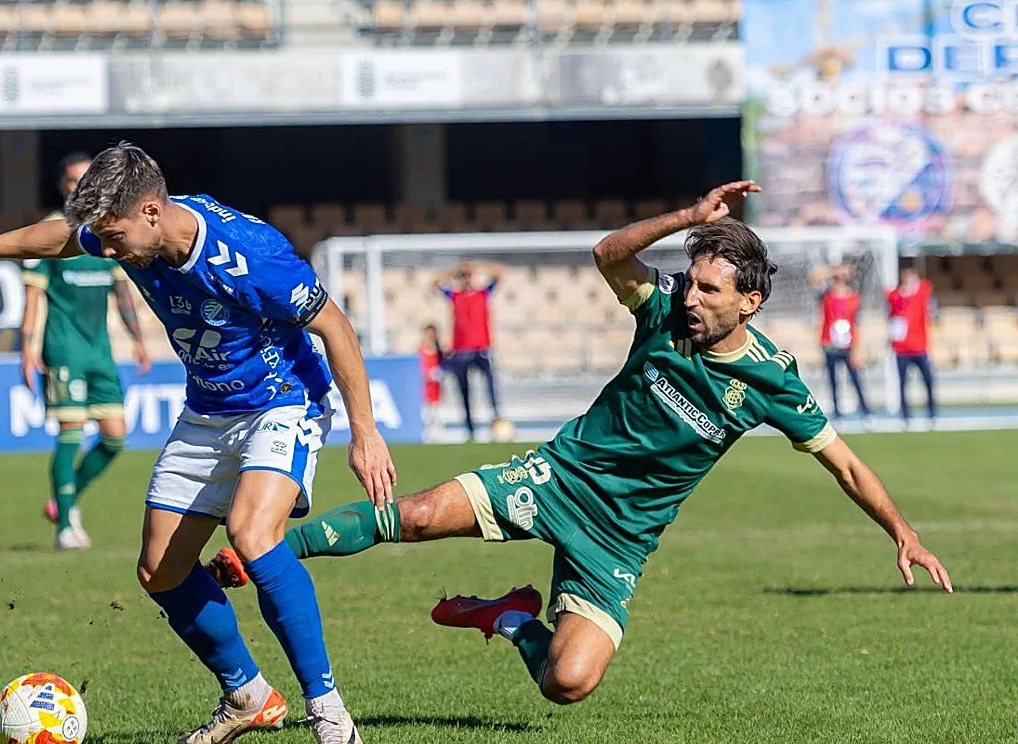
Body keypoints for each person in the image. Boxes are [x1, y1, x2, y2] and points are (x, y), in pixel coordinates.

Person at [213, 182, 953, 707]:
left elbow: (845, 464)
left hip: (620, 538)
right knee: (417, 514)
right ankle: (262, 551)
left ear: (750, 303)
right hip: (560, 477)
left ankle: (506, 617)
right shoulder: (663, 311)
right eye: (692, 282)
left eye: (711, 291)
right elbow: (608, 253)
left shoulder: (772, 381)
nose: (693, 297)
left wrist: (903, 531)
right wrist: (689, 217)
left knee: (568, 683)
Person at [0, 141, 396, 744]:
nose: (108, 252)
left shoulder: (250, 255)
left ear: (152, 211)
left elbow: (335, 326)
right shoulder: (127, 229)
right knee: (159, 569)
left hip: (282, 399)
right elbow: (63, 237)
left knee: (251, 534)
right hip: (208, 408)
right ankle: (247, 696)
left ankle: (328, 710)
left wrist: (365, 432)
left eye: (114, 238)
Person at [22, 151, 152, 550]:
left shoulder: (107, 229)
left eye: (86, 178)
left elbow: (121, 292)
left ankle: (65, 499)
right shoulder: (50, 231)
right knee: (71, 432)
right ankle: (66, 526)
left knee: (115, 437)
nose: (79, 186)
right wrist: (27, 350)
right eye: (72, 180)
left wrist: (138, 340)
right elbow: (33, 298)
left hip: (100, 350)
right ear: (62, 186)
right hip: (64, 348)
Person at [432, 260, 506, 441]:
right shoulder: (455, 295)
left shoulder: (482, 293)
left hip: (481, 349)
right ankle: (470, 430)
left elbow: (500, 274)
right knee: (464, 391)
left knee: (490, 387)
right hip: (460, 351)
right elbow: (435, 283)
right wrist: (455, 270)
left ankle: (496, 421)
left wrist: (477, 266)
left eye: (468, 275)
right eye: (464, 276)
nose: (466, 278)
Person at [812, 264, 872, 419]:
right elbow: (813, 279)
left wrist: (857, 350)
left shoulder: (853, 298)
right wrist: (833, 270)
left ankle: (866, 410)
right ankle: (837, 411)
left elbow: (857, 324)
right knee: (833, 381)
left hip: (847, 345)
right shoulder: (826, 295)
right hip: (830, 344)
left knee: (855, 379)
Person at [888, 266, 937, 428]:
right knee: (903, 383)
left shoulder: (921, 293)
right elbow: (891, 299)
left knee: (928, 381)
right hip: (902, 349)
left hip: (920, 347)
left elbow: (926, 287)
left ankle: (932, 413)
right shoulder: (896, 296)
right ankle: (906, 416)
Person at [418, 322, 445, 439]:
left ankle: (437, 434)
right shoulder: (421, 351)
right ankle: (426, 435)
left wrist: (439, 373)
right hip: (425, 387)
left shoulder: (438, 351)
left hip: (436, 387)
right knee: (426, 414)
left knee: (436, 412)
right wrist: (427, 374)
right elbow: (419, 367)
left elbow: (443, 366)